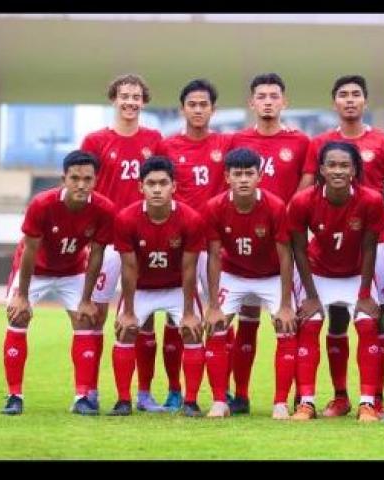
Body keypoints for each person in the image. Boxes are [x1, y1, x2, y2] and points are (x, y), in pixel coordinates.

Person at [298, 75, 384, 418]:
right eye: (342, 95)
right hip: (333, 240)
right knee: (337, 319)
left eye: (356, 94)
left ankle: (374, 397)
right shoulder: (319, 143)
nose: (349, 100)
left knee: (377, 318)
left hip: (376, 241)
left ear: (365, 100)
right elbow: (305, 189)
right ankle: (341, 396)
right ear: (334, 102)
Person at [1, 150, 115, 416]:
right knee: (18, 317)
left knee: (86, 319)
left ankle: (82, 398)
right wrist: (23, 296)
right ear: (64, 178)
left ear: (95, 180)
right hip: (35, 270)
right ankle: (14, 396)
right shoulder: (42, 204)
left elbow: (96, 255)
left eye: (87, 179)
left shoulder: (104, 209)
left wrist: (87, 300)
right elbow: (29, 252)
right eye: (75, 178)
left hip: (72, 271)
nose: (81, 185)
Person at [225, 73, 310, 414]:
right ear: (252, 103)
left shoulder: (301, 142)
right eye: (261, 96)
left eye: (274, 96)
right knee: (246, 321)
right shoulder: (237, 140)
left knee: (290, 322)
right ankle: (240, 394)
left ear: (284, 102)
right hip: (245, 246)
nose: (268, 101)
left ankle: (292, 397)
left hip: (284, 246)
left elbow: (304, 189)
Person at [80, 73, 165, 412]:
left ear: (144, 101)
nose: (130, 102)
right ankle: (89, 390)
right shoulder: (95, 140)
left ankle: (143, 393)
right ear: (113, 99)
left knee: (142, 316)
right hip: (106, 241)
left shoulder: (155, 139)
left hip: (142, 242)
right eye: (124, 96)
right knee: (95, 313)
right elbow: (84, 186)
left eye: (136, 96)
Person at [287, 141, 384, 422]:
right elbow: (298, 248)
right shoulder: (303, 200)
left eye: (345, 165)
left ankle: (367, 403)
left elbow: (370, 247)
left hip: (357, 273)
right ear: (320, 169)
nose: (338, 170)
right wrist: (309, 295)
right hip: (318, 273)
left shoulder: (370, 200)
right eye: (331, 165)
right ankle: (309, 402)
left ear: (355, 169)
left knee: (367, 323)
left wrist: (365, 293)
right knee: (310, 323)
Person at [108, 156, 207, 417]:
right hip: (141, 289)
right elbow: (129, 269)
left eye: (163, 183)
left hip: (176, 287)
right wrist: (128, 311)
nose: (157, 189)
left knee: (193, 332)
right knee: (124, 331)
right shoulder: (126, 219)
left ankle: (191, 401)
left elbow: (189, 269)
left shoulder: (191, 219)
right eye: (151, 183)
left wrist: (188, 313)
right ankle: (123, 400)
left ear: (174, 186)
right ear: (140, 187)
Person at [202, 148, 297, 419]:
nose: (243, 179)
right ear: (227, 177)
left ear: (260, 176)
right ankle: (220, 401)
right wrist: (212, 305)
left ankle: (280, 402)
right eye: (237, 174)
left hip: (271, 276)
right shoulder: (215, 207)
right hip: (234, 274)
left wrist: (287, 304)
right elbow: (214, 257)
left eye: (249, 173)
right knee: (216, 326)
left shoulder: (276, 206)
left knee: (286, 328)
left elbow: (285, 256)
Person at [157, 78, 234, 412]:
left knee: (221, 318)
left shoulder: (227, 143)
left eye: (205, 104)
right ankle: (176, 390)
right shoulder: (168, 146)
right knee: (177, 318)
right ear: (182, 109)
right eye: (193, 104)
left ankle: (223, 389)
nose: (198, 110)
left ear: (213, 110)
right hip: (180, 245)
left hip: (217, 245)